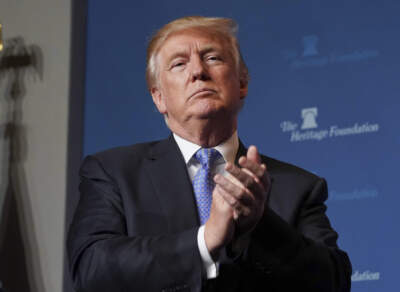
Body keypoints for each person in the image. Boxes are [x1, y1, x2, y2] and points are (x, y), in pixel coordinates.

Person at [67, 16, 352, 292]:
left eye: (213, 58)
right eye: (179, 64)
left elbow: (334, 282)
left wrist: (260, 223)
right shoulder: (113, 172)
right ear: (159, 97)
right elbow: (91, 270)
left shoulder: (298, 187)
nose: (198, 71)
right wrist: (205, 240)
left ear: (242, 84)